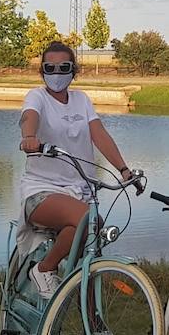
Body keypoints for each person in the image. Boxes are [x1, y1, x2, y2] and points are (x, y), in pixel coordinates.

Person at [18, 41, 137, 304]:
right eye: (50, 67)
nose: (57, 73)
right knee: (86, 220)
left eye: (64, 67)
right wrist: (29, 137)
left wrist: (124, 169)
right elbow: (29, 117)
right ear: (42, 71)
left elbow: (99, 134)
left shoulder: (82, 100)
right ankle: (44, 269)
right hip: (41, 191)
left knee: (90, 253)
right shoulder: (37, 96)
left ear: (74, 70)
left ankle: (93, 330)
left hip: (78, 191)